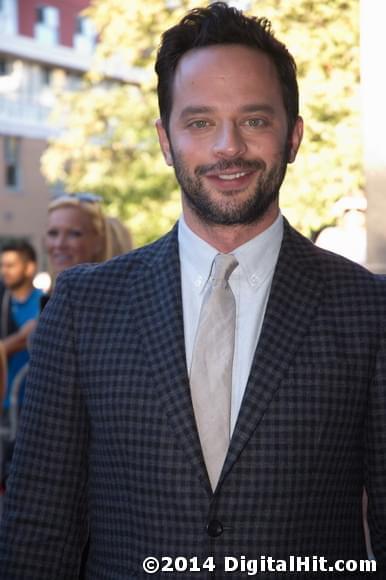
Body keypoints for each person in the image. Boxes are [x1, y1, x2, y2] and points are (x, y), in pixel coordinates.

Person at [0, 3, 385, 578]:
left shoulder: (369, 310)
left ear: (294, 136)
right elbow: (39, 525)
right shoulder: (85, 307)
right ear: (165, 139)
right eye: (200, 122)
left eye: (254, 119)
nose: (228, 147)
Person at [44, 192, 133, 285]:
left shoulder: (114, 295)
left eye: (74, 234)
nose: (59, 244)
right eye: (53, 233)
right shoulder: (49, 297)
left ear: (98, 241)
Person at [0, 241, 42, 413]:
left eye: (11, 265)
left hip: (33, 403)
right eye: (2, 265)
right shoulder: (3, 303)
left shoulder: (45, 303)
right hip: (4, 403)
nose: (4, 271)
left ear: (29, 267)